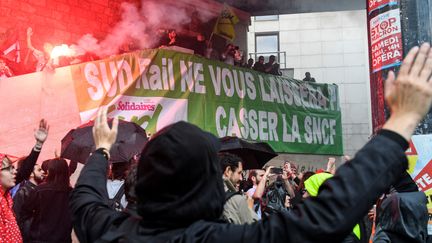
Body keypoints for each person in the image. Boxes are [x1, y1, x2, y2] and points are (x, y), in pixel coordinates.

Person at [71, 43, 432, 242]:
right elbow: (325, 218)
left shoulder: (107, 229)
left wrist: (101, 149)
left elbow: (85, 199)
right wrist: (401, 121)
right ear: (208, 183)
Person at [21, 158, 73, 243]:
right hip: (64, 239)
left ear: (50, 172)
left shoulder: (40, 190)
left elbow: (24, 212)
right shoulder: (73, 193)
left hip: (40, 238)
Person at [219, 153, 258, 224]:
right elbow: (254, 229)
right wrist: (249, 208)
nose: (241, 178)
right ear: (228, 171)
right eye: (239, 173)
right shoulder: (236, 200)